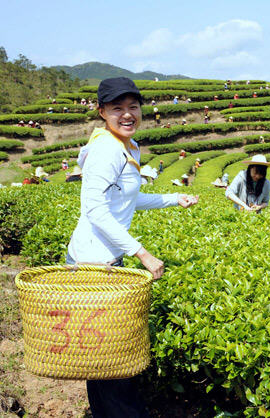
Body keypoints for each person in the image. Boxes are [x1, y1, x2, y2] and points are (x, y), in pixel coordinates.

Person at [66, 77, 199, 418]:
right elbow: (96, 208)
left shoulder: (127, 146)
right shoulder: (106, 150)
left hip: (108, 258)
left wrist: (173, 198)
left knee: (106, 355)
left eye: (133, 107)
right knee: (110, 356)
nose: (127, 114)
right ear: (102, 112)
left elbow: (128, 200)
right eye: (117, 108)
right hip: (91, 262)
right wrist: (143, 252)